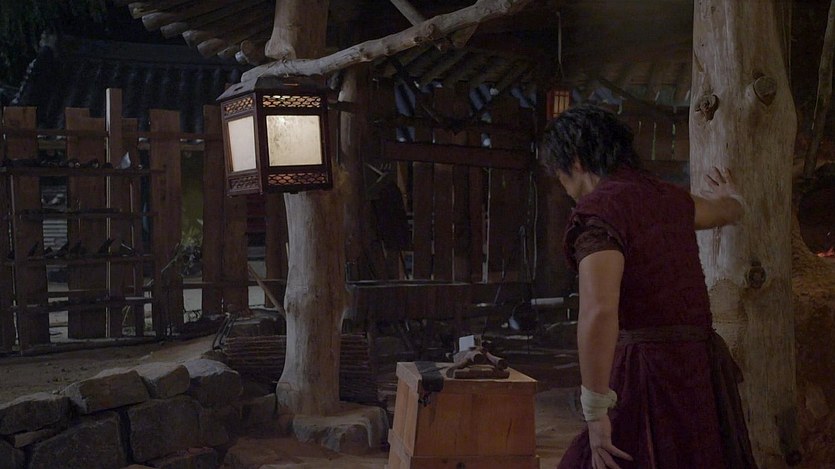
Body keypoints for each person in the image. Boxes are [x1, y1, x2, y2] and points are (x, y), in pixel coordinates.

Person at [539, 104, 756, 469]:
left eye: (560, 176)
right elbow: (724, 211)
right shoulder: (669, 198)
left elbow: (599, 312)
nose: (564, 188)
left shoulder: (599, 213)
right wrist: (734, 200)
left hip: (646, 373)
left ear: (574, 162)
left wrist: (595, 411)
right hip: (698, 372)